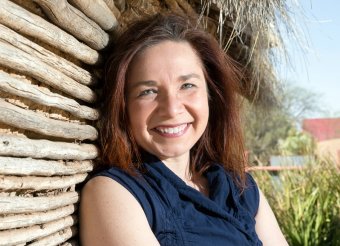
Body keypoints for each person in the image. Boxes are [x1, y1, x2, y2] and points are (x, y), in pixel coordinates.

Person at [80, 13, 288, 246]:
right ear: (123, 106)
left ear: (210, 95)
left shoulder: (242, 188)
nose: (171, 109)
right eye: (148, 91)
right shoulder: (114, 194)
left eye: (187, 85)